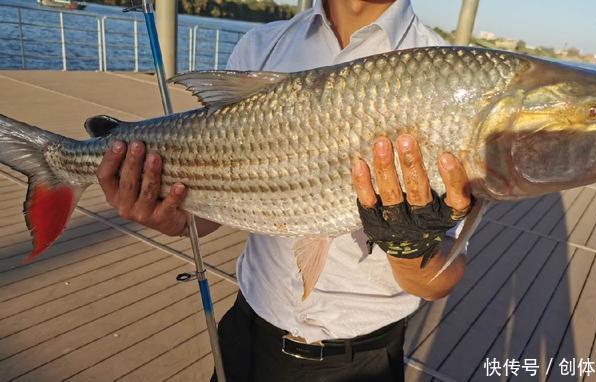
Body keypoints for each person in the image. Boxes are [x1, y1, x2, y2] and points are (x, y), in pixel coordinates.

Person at [96, 1, 472, 381]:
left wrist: (411, 250)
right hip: (247, 332)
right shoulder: (264, 44)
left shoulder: (454, 79)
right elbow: (219, 205)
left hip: (360, 359)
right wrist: (175, 216)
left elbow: (439, 279)